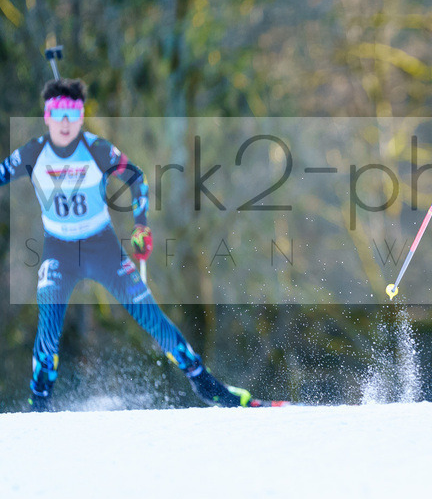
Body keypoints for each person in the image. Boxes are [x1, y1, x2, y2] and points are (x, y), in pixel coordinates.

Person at [0, 78, 258, 410]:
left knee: (150, 315)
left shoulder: (96, 149)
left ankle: (208, 386)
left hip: (101, 246)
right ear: (46, 116)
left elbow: (136, 178)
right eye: (57, 113)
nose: (65, 123)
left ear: (81, 117)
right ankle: (39, 406)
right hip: (59, 251)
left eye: (72, 113)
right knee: (48, 325)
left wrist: (141, 226)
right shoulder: (33, 153)